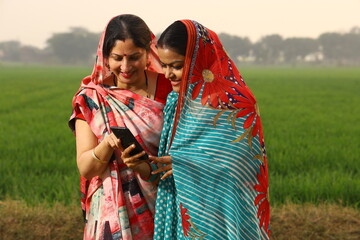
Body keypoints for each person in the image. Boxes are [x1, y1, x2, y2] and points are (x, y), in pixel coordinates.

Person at [149, 20, 271, 239]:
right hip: (183, 203)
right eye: (164, 65)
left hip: (223, 208)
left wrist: (184, 164)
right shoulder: (175, 101)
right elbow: (169, 156)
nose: (168, 74)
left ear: (200, 60)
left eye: (176, 66)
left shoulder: (234, 102)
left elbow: (242, 163)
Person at [68, 14, 172, 240]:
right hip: (111, 211)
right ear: (105, 57)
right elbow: (86, 168)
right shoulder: (92, 98)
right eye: (117, 58)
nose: (125, 67)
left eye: (134, 57)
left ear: (148, 53)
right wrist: (106, 145)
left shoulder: (170, 89)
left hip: (165, 201)